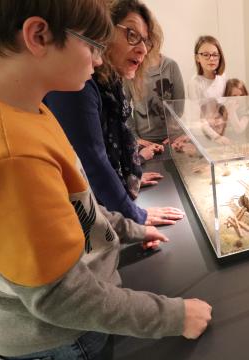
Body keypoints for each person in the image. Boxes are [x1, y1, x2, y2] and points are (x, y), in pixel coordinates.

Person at [0, 1, 212, 359]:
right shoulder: (9, 155)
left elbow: (77, 205)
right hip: (62, 339)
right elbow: (62, 296)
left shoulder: (23, 107)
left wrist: (131, 228)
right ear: (39, 36)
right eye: (90, 44)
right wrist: (173, 316)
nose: (100, 59)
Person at [45, 0, 184, 226]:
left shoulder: (110, 82)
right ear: (103, 31)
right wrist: (136, 215)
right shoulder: (78, 82)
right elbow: (93, 160)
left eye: (146, 41)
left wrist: (128, 176)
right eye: (131, 35)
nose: (143, 48)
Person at [188, 35, 226, 100]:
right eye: (206, 55)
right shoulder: (194, 83)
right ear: (197, 58)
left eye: (215, 55)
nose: (211, 58)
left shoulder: (223, 78)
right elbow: (195, 109)